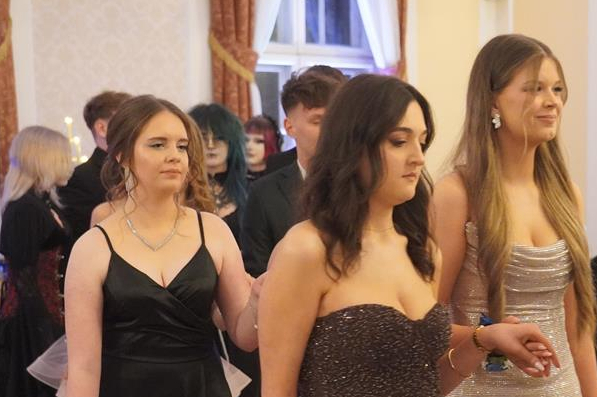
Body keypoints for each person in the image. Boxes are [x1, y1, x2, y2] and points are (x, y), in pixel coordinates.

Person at [258, 74, 559, 397]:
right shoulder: (307, 249)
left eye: (422, 141)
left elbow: (425, 383)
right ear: (352, 146)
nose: (418, 157)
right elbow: (277, 389)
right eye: (399, 142)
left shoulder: (422, 251)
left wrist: (483, 339)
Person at [64, 95, 262, 397]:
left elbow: (244, 337)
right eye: (158, 145)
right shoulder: (93, 247)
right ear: (122, 155)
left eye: (181, 146)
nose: (174, 156)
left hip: (202, 386)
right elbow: (83, 368)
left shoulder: (213, 231)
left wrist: (258, 300)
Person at [432, 34, 597, 396]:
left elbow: (579, 328)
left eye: (557, 89)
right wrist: (488, 336)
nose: (552, 101)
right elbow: (428, 323)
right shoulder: (457, 194)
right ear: (493, 100)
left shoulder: (567, 194)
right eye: (534, 89)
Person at [241, 66, 347, 277]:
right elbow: (257, 273)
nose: (330, 131)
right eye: (318, 121)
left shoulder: (363, 184)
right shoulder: (264, 194)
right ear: (289, 127)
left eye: (335, 121)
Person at [0, 126, 73, 397]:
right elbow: (25, 281)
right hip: (30, 322)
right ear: (43, 159)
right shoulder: (24, 209)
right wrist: (42, 332)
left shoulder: (41, 203)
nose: (69, 164)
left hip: (45, 316)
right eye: (63, 157)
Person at [59, 91, 131, 243]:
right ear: (102, 128)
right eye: (126, 122)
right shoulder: (79, 178)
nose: (135, 128)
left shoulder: (141, 169)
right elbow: (81, 236)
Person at [188, 103, 248, 244]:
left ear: (232, 141)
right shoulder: (179, 190)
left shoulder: (252, 190)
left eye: (219, 137)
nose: (210, 145)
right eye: (203, 137)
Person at [244, 115, 282, 182]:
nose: (249, 146)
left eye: (258, 141)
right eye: (245, 140)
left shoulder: (282, 177)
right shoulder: (232, 177)